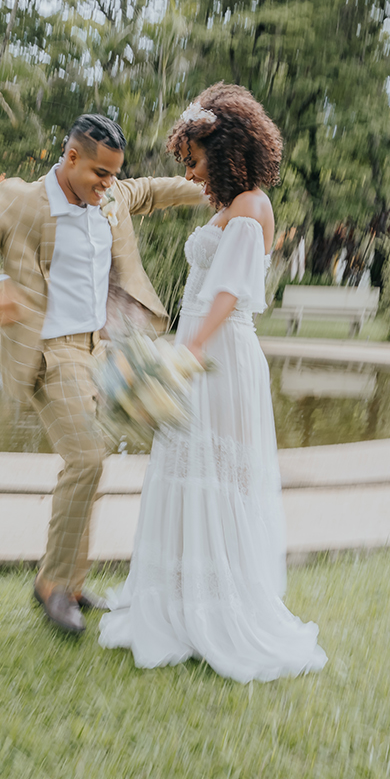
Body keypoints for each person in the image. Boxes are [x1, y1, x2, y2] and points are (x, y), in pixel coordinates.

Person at [0, 115, 204, 636]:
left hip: (98, 350)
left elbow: (150, 191)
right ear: (72, 158)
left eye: (114, 175)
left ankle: (72, 583)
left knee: (90, 465)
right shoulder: (23, 199)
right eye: (100, 173)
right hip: (50, 352)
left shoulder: (110, 198)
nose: (109, 185)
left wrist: (210, 185)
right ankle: (52, 586)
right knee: (87, 457)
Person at [99, 84, 328, 681]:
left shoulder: (251, 208)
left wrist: (184, 357)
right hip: (199, 348)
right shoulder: (229, 205)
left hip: (220, 354)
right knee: (186, 470)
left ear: (224, 151)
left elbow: (227, 292)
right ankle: (177, 602)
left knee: (215, 476)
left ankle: (218, 608)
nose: (192, 172)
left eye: (195, 160)